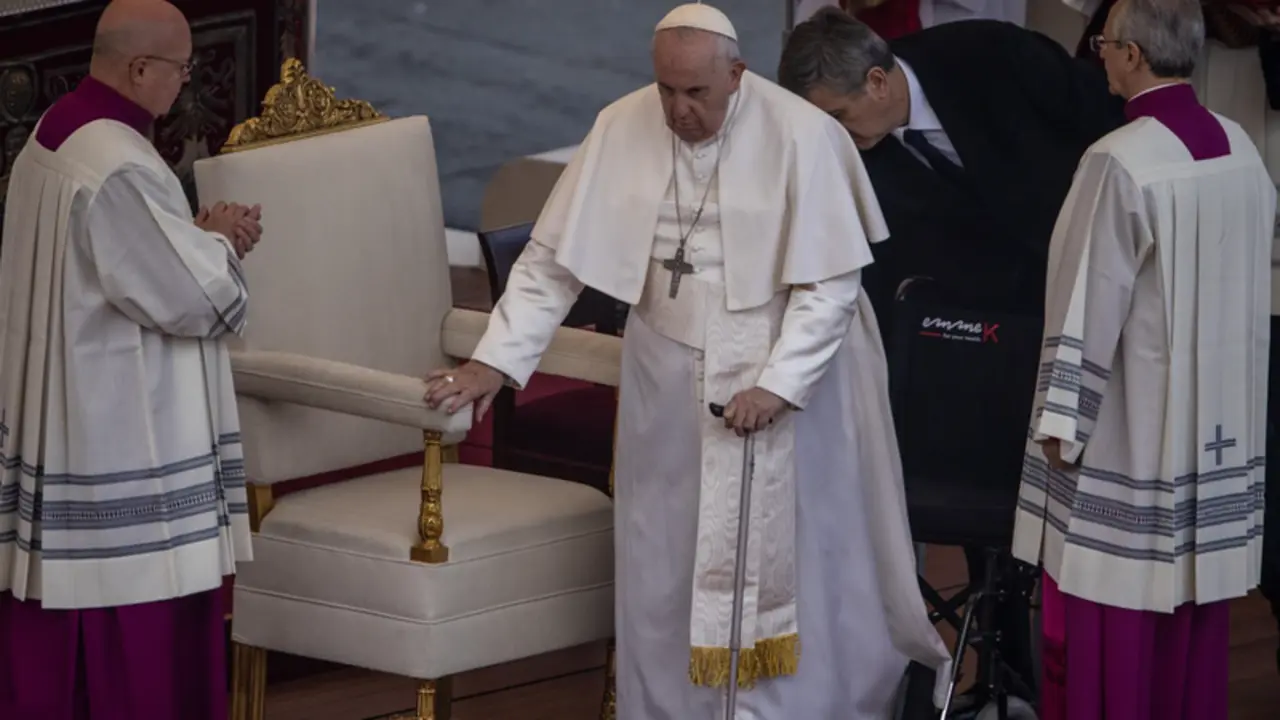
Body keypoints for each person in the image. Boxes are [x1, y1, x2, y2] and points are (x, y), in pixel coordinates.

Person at [424, 4, 951, 718]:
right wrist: (497, 360)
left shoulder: (803, 135)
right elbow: (553, 261)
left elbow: (830, 284)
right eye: (666, 89)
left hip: (787, 374)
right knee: (664, 559)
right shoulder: (621, 125)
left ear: (737, 75)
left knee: (797, 555)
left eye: (697, 93)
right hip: (665, 380)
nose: (677, 109)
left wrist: (779, 383)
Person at [0, 1, 262, 718]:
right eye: (181, 68)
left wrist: (188, 232)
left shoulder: (58, 136)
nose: (185, 81)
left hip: (72, 427)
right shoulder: (117, 164)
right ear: (139, 67)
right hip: (123, 452)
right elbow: (196, 300)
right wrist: (222, 241)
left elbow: (129, 260)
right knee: (135, 666)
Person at [1013, 0, 1274, 716]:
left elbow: (1084, 300)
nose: (1098, 54)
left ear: (1131, 55)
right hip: (1215, 436)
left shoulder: (1117, 161)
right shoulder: (1239, 145)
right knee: (1190, 614)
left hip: (1132, 437)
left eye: (1105, 43)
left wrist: (1062, 421)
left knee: (1116, 613)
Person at [778, 8, 1125, 324]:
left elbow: (1105, 116)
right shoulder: (845, 156)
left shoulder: (991, 54)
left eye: (837, 117)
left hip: (1098, 270)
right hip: (976, 326)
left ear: (877, 83)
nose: (834, 134)